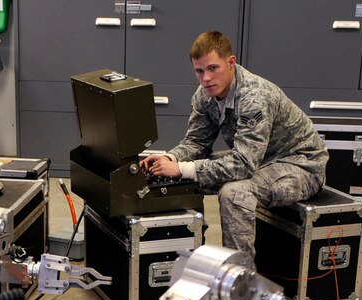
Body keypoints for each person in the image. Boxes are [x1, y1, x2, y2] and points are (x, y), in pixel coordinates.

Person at [139, 31, 328, 258]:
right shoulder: (204, 95)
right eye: (199, 71)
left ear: (231, 63)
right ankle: (194, 257)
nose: (206, 78)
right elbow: (196, 141)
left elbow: (243, 165)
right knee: (176, 176)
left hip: (301, 165)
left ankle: (239, 283)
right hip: (258, 160)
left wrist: (183, 169)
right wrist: (170, 160)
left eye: (212, 68)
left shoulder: (254, 97)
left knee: (234, 193)